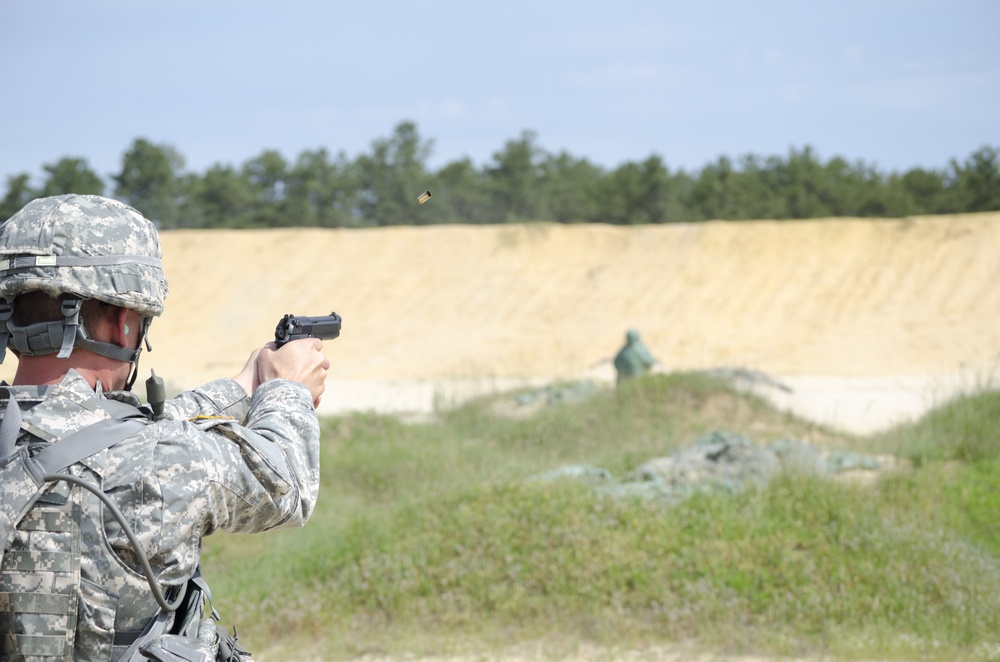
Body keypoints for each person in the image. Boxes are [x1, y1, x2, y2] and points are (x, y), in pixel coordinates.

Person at [0, 194, 330, 661]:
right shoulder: (164, 461)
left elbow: (112, 431)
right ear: (124, 323)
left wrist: (246, 382)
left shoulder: (133, 450)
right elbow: (289, 485)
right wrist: (288, 390)